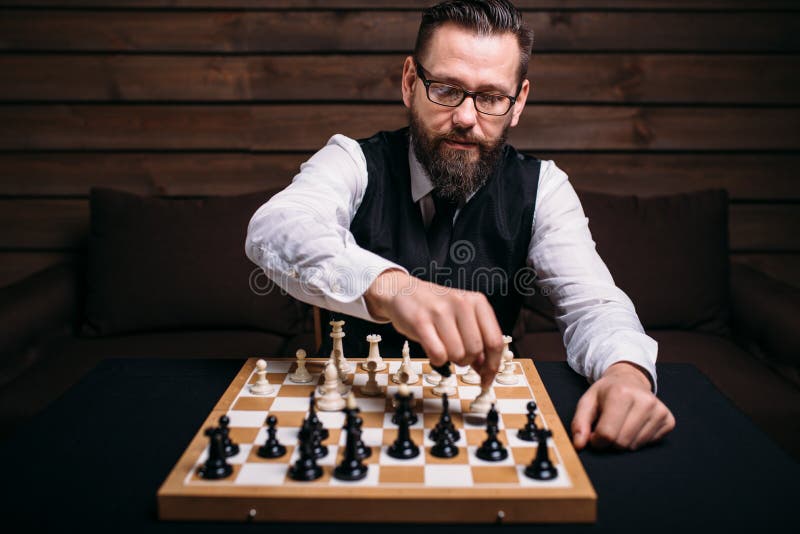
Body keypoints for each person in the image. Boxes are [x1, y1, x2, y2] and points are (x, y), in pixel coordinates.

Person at [245, 0, 674, 451]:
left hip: (476, 420)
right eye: (447, 89)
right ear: (410, 82)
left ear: (518, 102)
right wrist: (394, 288)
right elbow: (274, 228)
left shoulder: (543, 187)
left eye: (490, 97)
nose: (467, 118)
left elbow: (593, 305)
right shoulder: (352, 160)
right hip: (351, 416)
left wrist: (627, 372)